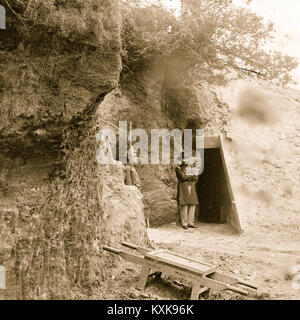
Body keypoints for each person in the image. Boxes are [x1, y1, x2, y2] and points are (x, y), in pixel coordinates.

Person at [175, 159, 199, 229]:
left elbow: (195, 178)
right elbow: (182, 177)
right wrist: (190, 176)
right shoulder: (178, 169)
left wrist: (187, 177)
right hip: (183, 187)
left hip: (191, 187)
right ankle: (184, 223)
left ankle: (190, 223)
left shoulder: (191, 169)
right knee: (184, 205)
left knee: (193, 204)